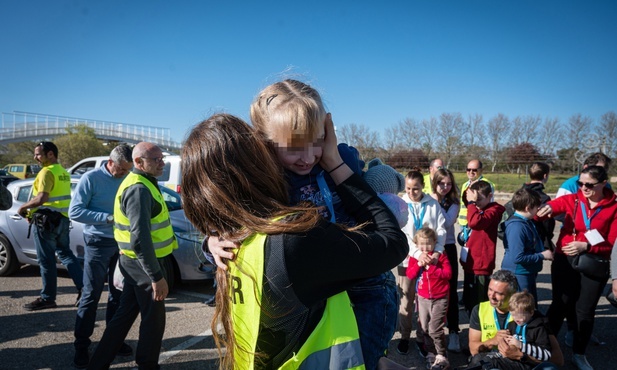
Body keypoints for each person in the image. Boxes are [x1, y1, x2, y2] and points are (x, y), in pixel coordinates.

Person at [181, 113, 408, 369]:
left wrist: (211, 239)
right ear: (260, 162)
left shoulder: (234, 238)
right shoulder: (294, 237)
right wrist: (334, 162)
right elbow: (393, 244)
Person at [250, 79, 396, 369]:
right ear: (265, 141)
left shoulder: (344, 158)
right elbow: (239, 221)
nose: (307, 158)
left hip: (366, 286)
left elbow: (375, 200)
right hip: (310, 295)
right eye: (293, 148)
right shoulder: (264, 178)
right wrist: (213, 241)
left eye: (316, 142)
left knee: (364, 361)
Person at [88, 142, 177, 370]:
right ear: (138, 162)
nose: (162, 163)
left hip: (136, 262)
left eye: (162, 158)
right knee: (154, 321)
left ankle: (97, 363)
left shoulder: (144, 182)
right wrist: (156, 276)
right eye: (155, 159)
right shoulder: (139, 188)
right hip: (145, 264)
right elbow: (140, 239)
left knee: (124, 315)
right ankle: (147, 365)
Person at [537, 165, 617, 370]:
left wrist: (587, 245)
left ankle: (579, 354)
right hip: (565, 260)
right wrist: (544, 210)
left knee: (585, 311)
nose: (583, 187)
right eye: (580, 183)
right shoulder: (573, 199)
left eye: (589, 185)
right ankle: (543, 350)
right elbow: (551, 207)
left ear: (603, 184)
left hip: (594, 263)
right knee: (559, 305)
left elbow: (612, 243)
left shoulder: (613, 207)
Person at [70, 144, 134, 368]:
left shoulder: (130, 177)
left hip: (121, 244)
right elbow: (75, 211)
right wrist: (107, 218)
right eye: (123, 170)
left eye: (129, 170)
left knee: (118, 295)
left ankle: (113, 341)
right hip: (98, 243)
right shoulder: (91, 178)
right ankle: (81, 346)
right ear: (111, 162)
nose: (126, 174)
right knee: (91, 295)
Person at [19, 141, 83, 311]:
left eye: (38, 154)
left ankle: (48, 298)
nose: (35, 158)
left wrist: (24, 207)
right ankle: (84, 289)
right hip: (62, 220)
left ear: (50, 154)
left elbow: (41, 198)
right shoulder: (63, 172)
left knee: (46, 261)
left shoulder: (46, 172)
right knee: (66, 254)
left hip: (46, 222)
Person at [468, 270, 563, 370]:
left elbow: (558, 359)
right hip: (498, 363)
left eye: (499, 293)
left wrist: (521, 356)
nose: (492, 296)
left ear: (512, 294)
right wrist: (492, 341)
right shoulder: (480, 310)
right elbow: (473, 350)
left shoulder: (530, 314)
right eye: (490, 289)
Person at [397, 170, 446, 356]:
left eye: (415, 189)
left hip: (430, 261)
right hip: (408, 260)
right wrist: (417, 254)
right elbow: (401, 234)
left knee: (424, 302)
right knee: (406, 301)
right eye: (408, 189)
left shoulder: (432, 204)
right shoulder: (401, 204)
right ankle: (404, 336)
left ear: (423, 187)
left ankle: (421, 338)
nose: (411, 193)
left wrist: (437, 253)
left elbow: (440, 230)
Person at [406, 227, 452, 370]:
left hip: (440, 297)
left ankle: (442, 355)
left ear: (435, 242)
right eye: (422, 244)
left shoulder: (440, 256)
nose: (425, 248)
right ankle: (431, 353)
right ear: (416, 244)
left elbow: (448, 274)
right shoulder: (416, 257)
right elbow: (410, 275)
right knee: (424, 327)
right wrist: (419, 265)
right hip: (423, 298)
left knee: (434, 328)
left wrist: (432, 267)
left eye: (428, 244)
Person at [477, 291, 554, 370]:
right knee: (480, 358)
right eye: (513, 315)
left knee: (492, 362)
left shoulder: (538, 328)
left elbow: (546, 355)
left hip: (528, 364)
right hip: (512, 361)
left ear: (531, 312)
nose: (517, 319)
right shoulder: (512, 325)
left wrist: (521, 345)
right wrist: (503, 344)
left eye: (520, 315)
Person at [501, 188, 553, 303]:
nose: (539, 209)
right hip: (519, 274)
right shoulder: (517, 227)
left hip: (526, 272)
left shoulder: (526, 221)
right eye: (537, 207)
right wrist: (542, 255)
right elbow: (518, 257)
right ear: (528, 208)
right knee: (522, 307)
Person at [461, 180, 505, 315]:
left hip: (481, 265)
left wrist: (471, 203)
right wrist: (469, 196)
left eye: (479, 199)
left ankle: (480, 328)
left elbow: (475, 223)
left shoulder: (493, 210)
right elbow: (465, 200)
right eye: (474, 199)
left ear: (490, 195)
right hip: (470, 262)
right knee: (469, 301)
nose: (476, 202)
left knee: (479, 303)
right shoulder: (475, 208)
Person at [431, 168, 462, 352]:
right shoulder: (427, 198)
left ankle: (454, 333)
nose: (445, 187)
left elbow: (447, 222)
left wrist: (436, 204)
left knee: (451, 291)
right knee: (429, 292)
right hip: (430, 248)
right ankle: (430, 334)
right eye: (441, 183)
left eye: (448, 183)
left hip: (447, 248)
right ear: (435, 183)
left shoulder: (453, 202)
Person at [458, 159, 495, 236]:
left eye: (474, 170)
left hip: (476, 222)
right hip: (464, 223)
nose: (471, 172)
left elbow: (488, 205)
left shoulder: (486, 184)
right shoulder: (465, 185)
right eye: (468, 169)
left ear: (481, 170)